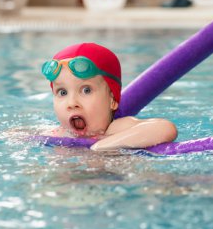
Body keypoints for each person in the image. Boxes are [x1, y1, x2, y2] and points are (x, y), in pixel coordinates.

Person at [41, 42, 177, 152]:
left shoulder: (117, 128)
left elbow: (165, 128)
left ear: (112, 100)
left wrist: (101, 146)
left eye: (86, 90)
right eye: (62, 92)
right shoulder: (56, 134)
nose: (71, 103)